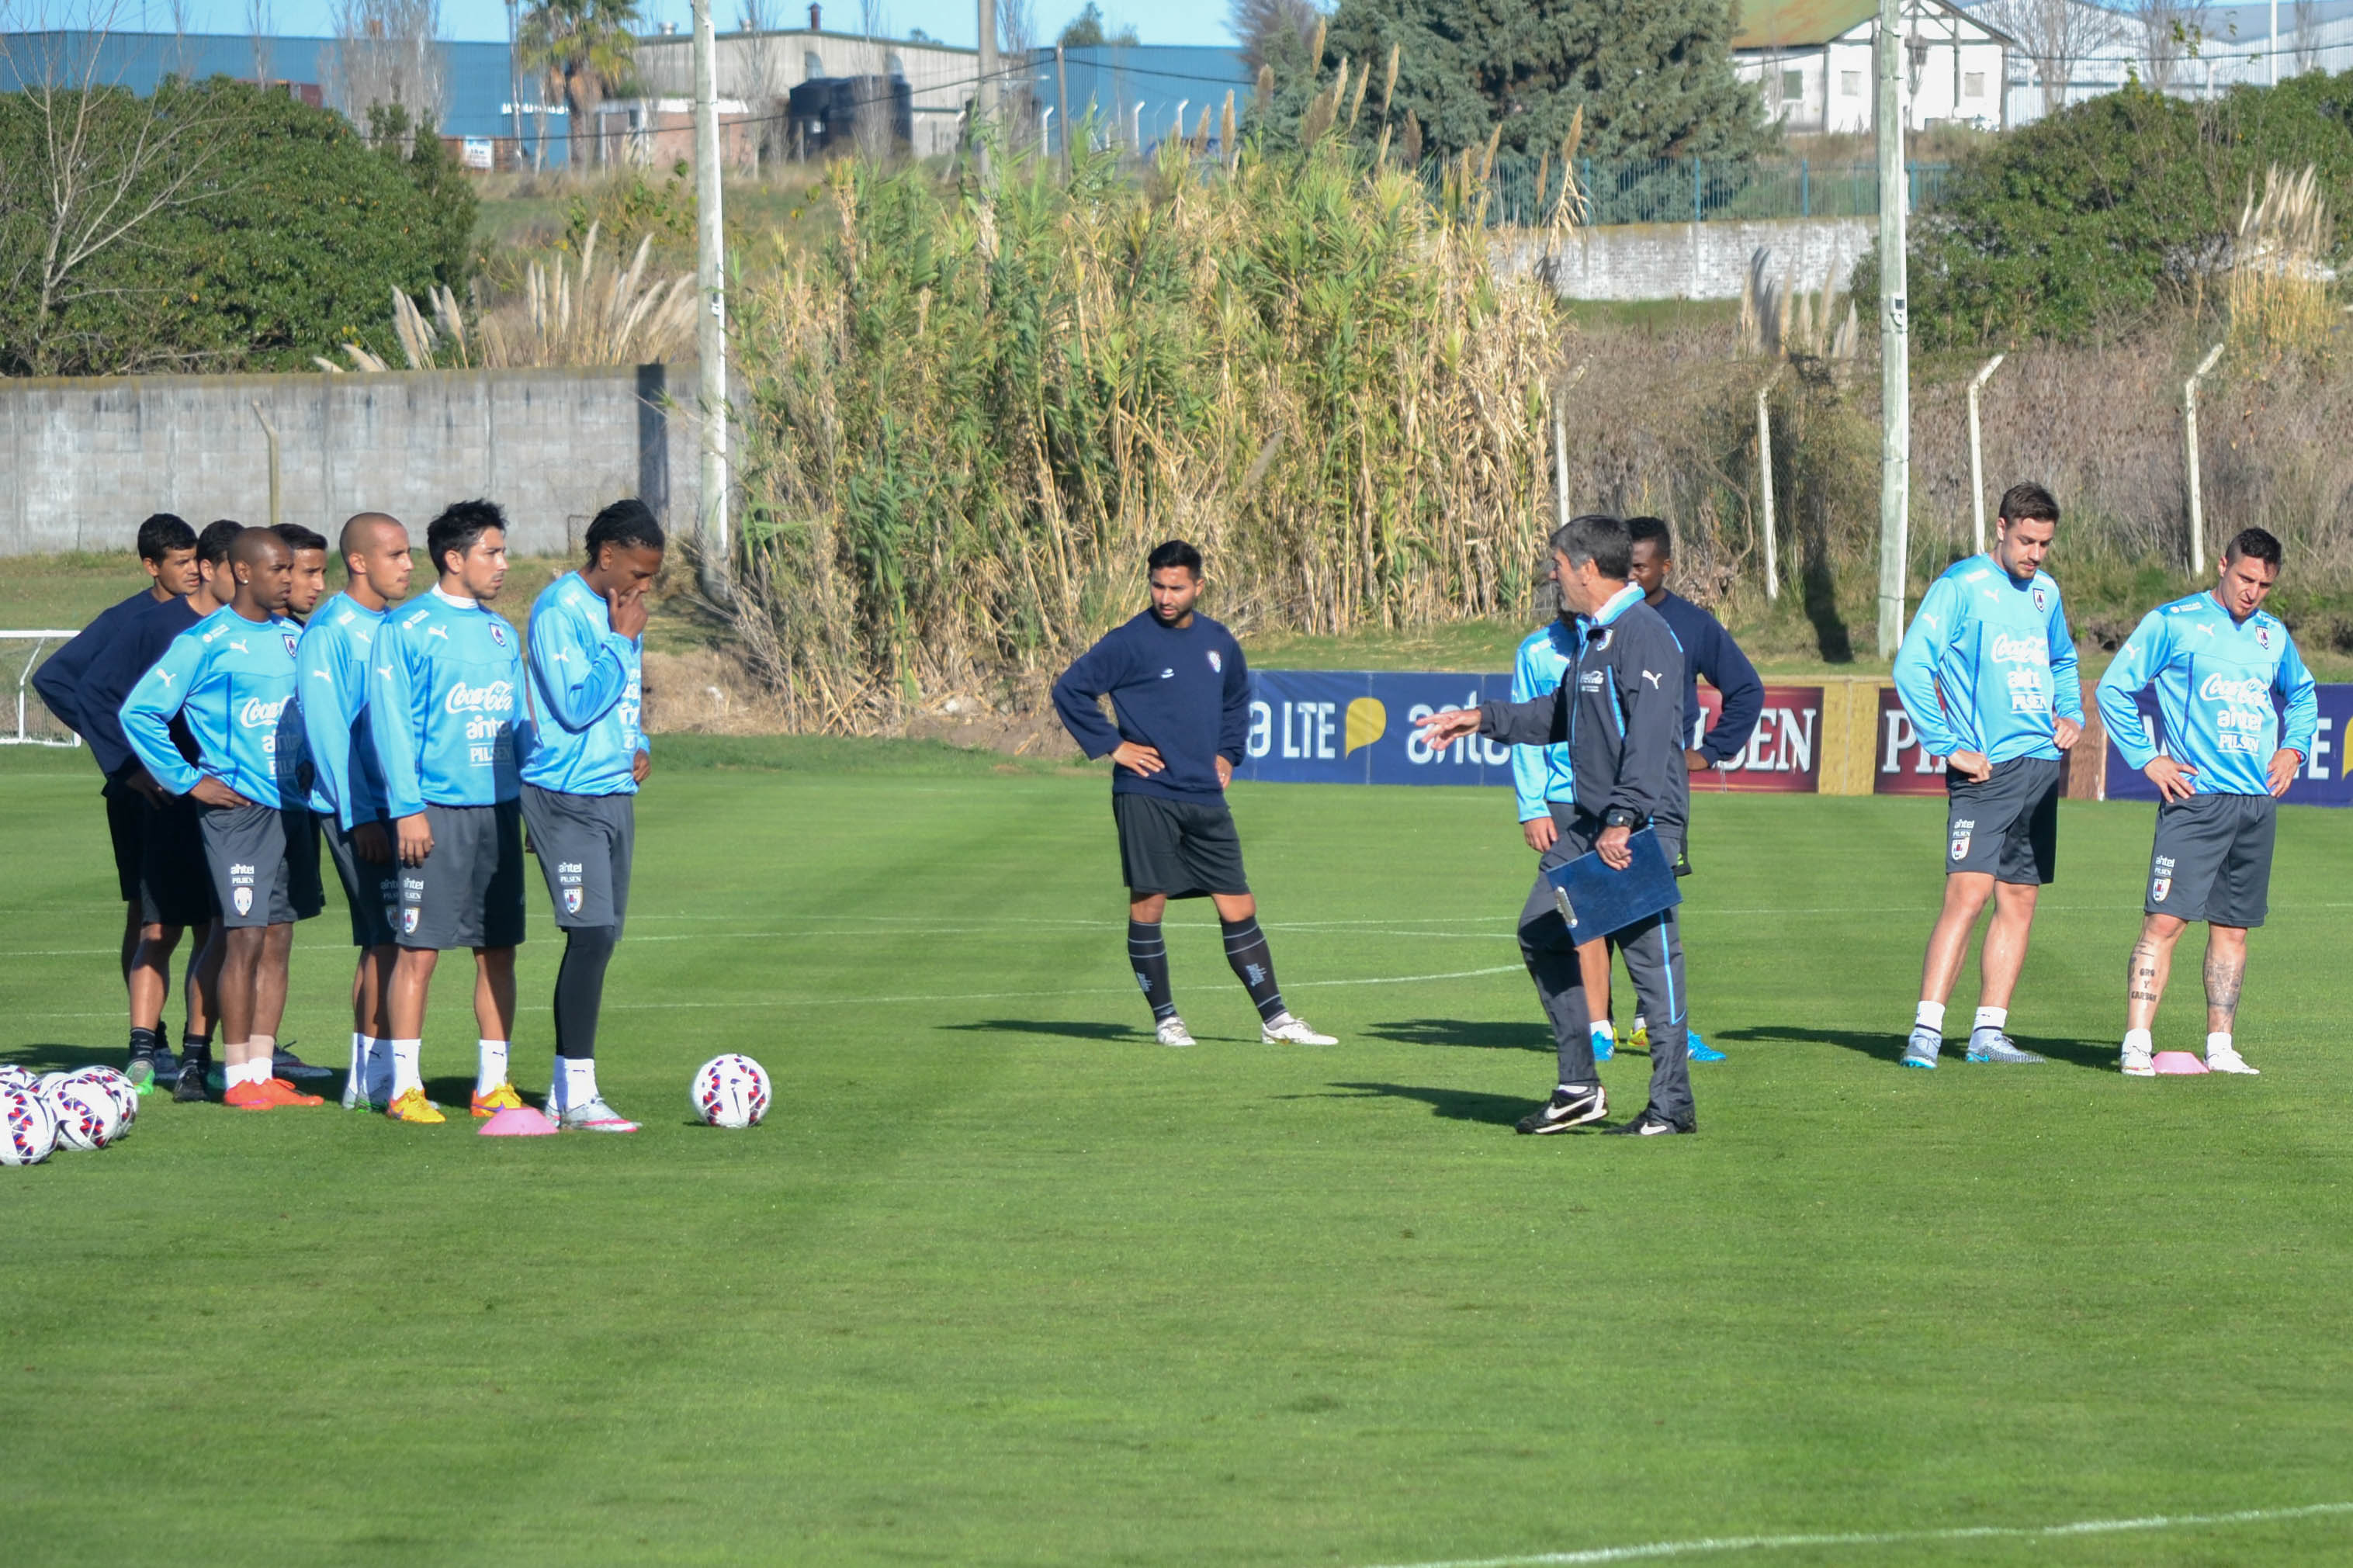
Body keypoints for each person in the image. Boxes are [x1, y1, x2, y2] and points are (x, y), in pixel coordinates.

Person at [1416, 514, 1696, 1137]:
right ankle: (1578, 1086)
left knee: (1652, 964)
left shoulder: (1643, 634)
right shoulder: (1597, 637)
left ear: (1589, 569)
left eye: (1559, 565)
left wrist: (1624, 819)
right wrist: (1479, 718)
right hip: (1592, 822)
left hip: (1637, 824)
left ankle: (1671, 1103)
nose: (1554, 575)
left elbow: (1651, 738)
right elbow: (1559, 714)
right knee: (1542, 929)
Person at [1052, 539, 1334, 1048]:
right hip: (1146, 793)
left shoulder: (1219, 641)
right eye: (1158, 585)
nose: (1165, 596)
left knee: (1239, 903)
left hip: (1204, 794)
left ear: (1198, 586)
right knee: (1149, 903)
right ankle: (1167, 1019)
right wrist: (1114, 746)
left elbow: (1236, 701)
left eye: (1176, 587)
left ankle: (1276, 1020)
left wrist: (1228, 753)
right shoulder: (1128, 641)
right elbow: (1069, 688)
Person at [2095, 528, 2314, 1078]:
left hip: (2254, 804)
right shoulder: (2174, 622)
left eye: (2264, 584)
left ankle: (2221, 1046)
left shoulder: (2272, 636)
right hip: (2196, 800)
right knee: (2164, 922)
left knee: (2233, 929)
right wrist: (2148, 758)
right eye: (2245, 577)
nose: (2253, 591)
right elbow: (2114, 688)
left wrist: (2292, 748)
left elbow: (2304, 695)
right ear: (2223, 564)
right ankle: (2136, 1043)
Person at [118, 528, 324, 1109]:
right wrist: (188, 779)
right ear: (241, 571)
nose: (291, 579)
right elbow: (141, 712)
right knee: (244, 937)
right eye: (279, 569)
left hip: (291, 808)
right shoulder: (204, 641)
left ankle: (262, 1069)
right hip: (237, 814)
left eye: (293, 568)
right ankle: (236, 1077)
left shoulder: (293, 637)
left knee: (279, 936)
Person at [1890, 483, 2081, 1070]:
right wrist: (1948, 746)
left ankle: (1988, 1033)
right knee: (1967, 896)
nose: (2036, 554)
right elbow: (1912, 665)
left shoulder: (2046, 592)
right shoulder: (1960, 586)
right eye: (2027, 540)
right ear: (2001, 527)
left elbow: (2064, 660)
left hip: (2039, 767)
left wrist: (2071, 712)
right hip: (1987, 769)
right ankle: (1926, 1030)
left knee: (2019, 897)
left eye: (2046, 543)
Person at [1574, 515, 1766, 1066]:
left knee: (1649, 906)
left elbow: (1747, 688)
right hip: (1598, 791)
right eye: (1623, 566)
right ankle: (1598, 1025)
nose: (1630, 576)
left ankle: (1650, 1025)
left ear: (1666, 566)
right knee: (1598, 903)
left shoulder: (1689, 624)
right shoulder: (1600, 623)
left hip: (1656, 797)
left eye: (1640, 566)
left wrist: (1707, 752)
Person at [370, 500, 532, 1126]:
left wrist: (533, 811)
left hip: (498, 812)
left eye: (502, 551)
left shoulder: (500, 631)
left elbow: (519, 726)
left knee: (498, 950)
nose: (503, 563)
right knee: (420, 951)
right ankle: (404, 1087)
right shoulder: (406, 628)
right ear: (454, 557)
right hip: (433, 813)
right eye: (492, 551)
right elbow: (391, 727)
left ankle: (493, 1083)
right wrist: (408, 809)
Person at [29, 514, 201, 1090]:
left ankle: (224, 1038)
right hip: (139, 793)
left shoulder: (202, 617)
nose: (193, 570)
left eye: (196, 558)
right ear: (152, 566)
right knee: (148, 914)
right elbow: (57, 680)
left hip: (189, 787)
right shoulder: (129, 620)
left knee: (214, 918)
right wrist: (126, 763)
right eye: (180, 562)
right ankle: (149, 1040)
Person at [519, 500, 663, 1133]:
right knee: (592, 934)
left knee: (603, 937)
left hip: (612, 794)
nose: (644, 587)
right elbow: (575, 706)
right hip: (565, 796)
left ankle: (561, 1092)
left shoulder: (620, 612)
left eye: (652, 576)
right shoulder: (560, 612)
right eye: (638, 571)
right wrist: (620, 639)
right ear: (606, 557)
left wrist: (641, 745)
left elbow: (623, 700)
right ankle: (578, 1093)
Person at [297, 513, 414, 1111]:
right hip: (360, 813)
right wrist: (361, 814)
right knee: (388, 938)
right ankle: (370, 1075)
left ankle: (370, 1074)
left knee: (389, 939)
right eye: (396, 554)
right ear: (361, 561)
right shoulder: (333, 630)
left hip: (400, 810)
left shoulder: (395, 625)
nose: (409, 565)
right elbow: (328, 731)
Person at [274, 523, 331, 618]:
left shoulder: (305, 631)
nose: (321, 587)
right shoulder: (244, 630)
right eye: (310, 573)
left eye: (322, 573)